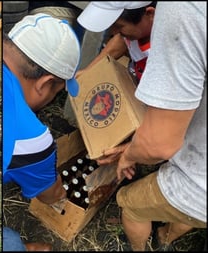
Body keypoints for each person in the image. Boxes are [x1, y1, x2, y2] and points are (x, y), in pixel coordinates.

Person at [78, 2, 206, 251]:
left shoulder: (171, 43)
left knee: (130, 202)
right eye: (112, 28)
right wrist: (88, 72)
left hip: (190, 160)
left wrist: (129, 153)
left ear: (150, 14)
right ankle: (164, 235)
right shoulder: (149, 31)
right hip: (178, 129)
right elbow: (120, 42)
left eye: (121, 27)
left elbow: (160, 140)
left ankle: (148, 243)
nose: (117, 34)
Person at [2, 13, 81, 251]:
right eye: (56, 92)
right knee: (12, 243)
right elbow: (50, 195)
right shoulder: (31, 139)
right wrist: (64, 189)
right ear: (46, 83)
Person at [75, 2, 156, 82]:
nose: (113, 32)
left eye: (119, 26)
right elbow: (121, 40)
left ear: (150, 14)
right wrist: (89, 71)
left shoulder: (162, 51)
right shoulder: (137, 32)